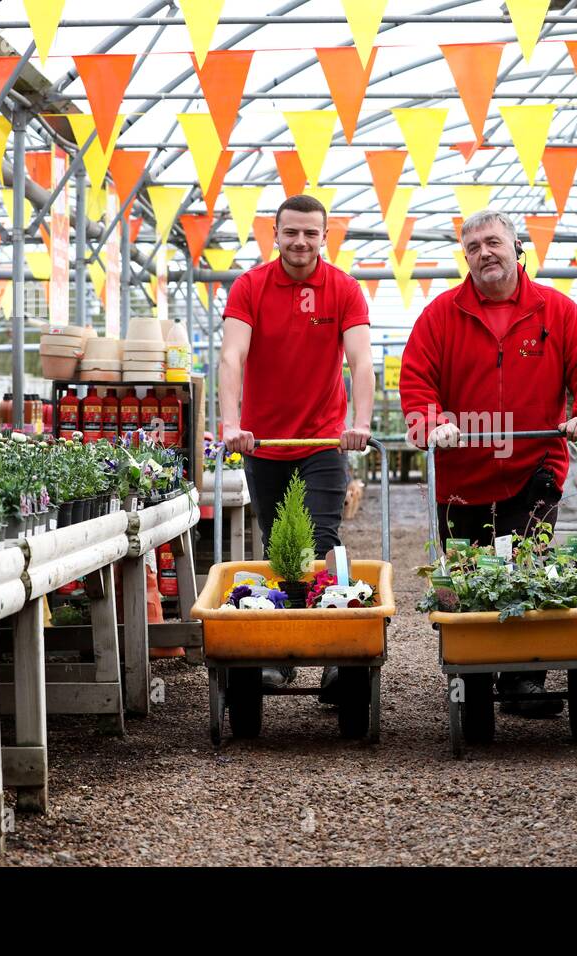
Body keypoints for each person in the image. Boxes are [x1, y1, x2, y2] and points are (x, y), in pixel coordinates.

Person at [399, 209, 577, 717]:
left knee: (523, 569)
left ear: (518, 247)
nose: (483, 254)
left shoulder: (555, 311)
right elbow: (416, 382)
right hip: (460, 478)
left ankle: (522, 679)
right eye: (473, 248)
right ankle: (471, 673)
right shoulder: (440, 315)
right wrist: (432, 423)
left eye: (493, 242)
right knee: (467, 576)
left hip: (533, 467)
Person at [219, 194, 375, 693]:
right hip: (263, 441)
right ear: (276, 235)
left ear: (324, 237)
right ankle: (280, 647)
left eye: (311, 233)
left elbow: (362, 361)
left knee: (319, 539)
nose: (301, 242)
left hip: (322, 439)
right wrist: (230, 425)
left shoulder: (344, 289)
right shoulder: (250, 286)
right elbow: (230, 357)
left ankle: (335, 648)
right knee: (277, 545)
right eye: (291, 233)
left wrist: (361, 423)